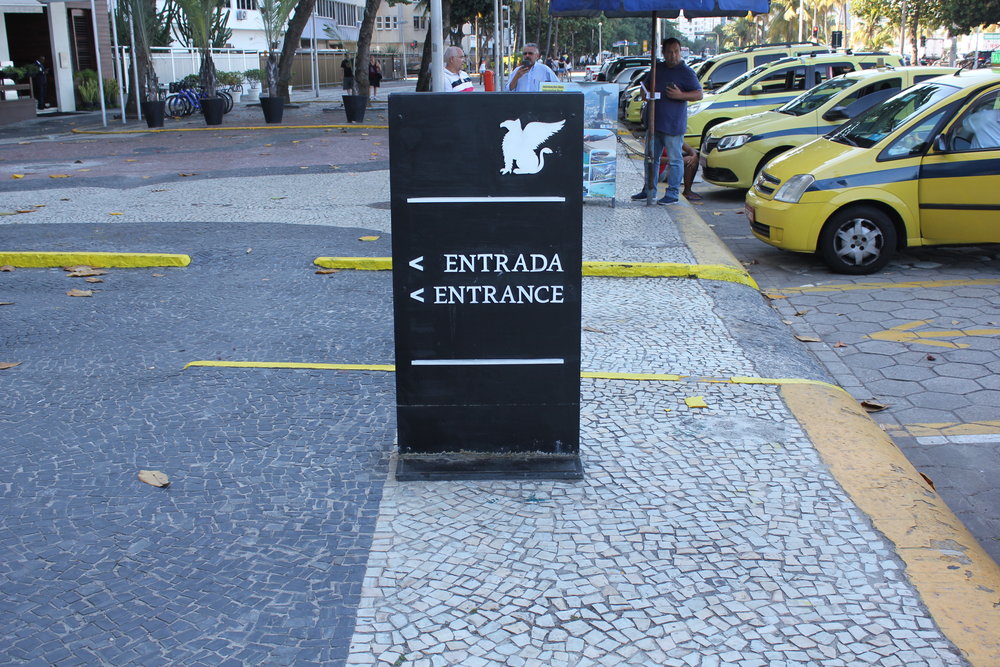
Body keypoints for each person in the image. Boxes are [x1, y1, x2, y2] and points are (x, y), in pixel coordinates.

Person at [631, 37, 703, 205]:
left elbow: (698, 94)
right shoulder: (657, 69)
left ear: (680, 52)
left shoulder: (686, 72)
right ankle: (649, 190)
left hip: (673, 125)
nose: (673, 55)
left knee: (675, 159)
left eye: (676, 52)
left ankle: (672, 194)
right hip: (654, 123)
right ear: (663, 53)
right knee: (651, 158)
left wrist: (681, 95)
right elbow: (645, 88)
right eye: (669, 52)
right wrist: (645, 94)